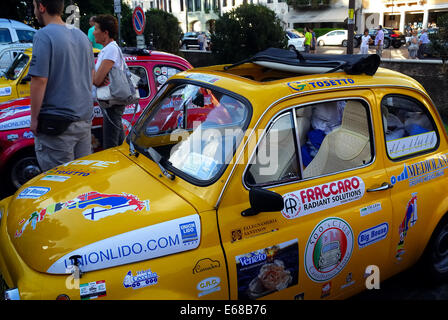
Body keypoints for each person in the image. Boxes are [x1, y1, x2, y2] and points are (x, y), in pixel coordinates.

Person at [29, 0, 95, 172]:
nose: (35, 10)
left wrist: (34, 118)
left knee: (60, 186)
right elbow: (91, 77)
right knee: (81, 183)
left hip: (56, 127)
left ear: (42, 7)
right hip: (83, 121)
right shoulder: (81, 36)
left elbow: (39, 80)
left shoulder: (43, 35)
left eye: (35, 5)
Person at [93, 14, 127, 149]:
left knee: (110, 145)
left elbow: (97, 80)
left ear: (105, 33)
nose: (93, 32)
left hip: (112, 103)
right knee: (118, 143)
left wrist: (88, 69)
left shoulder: (111, 50)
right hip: (111, 101)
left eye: (96, 28)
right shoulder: (107, 49)